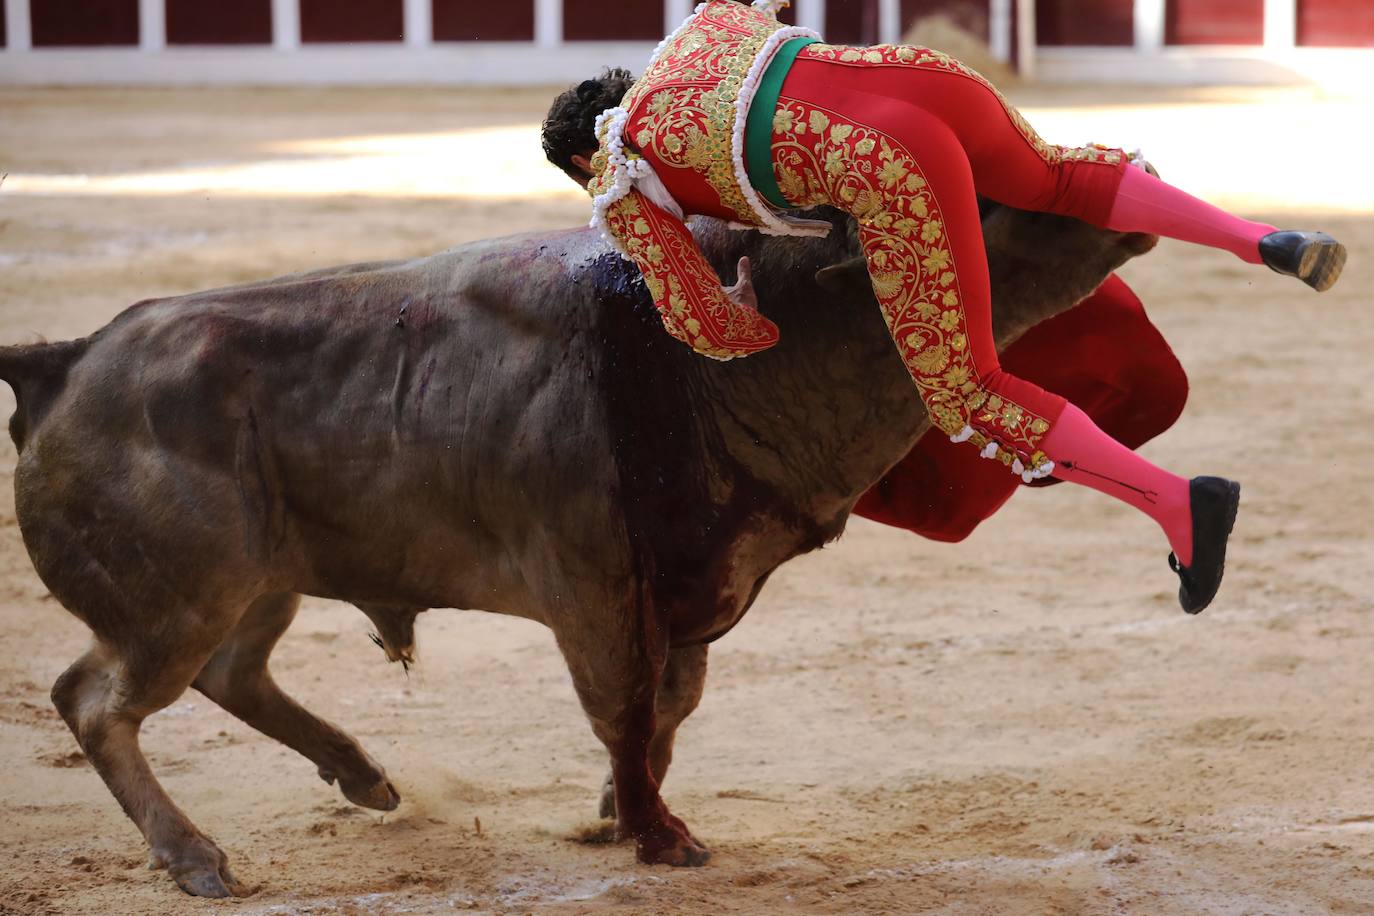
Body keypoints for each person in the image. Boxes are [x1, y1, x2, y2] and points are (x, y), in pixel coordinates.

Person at [540, 0, 1346, 614]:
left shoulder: (617, 172)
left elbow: (711, 324)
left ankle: (1180, 506)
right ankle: (1263, 239)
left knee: (964, 389)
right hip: (919, 75)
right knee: (1058, 176)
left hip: (885, 163)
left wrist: (742, 299)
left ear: (583, 154)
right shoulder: (702, 27)